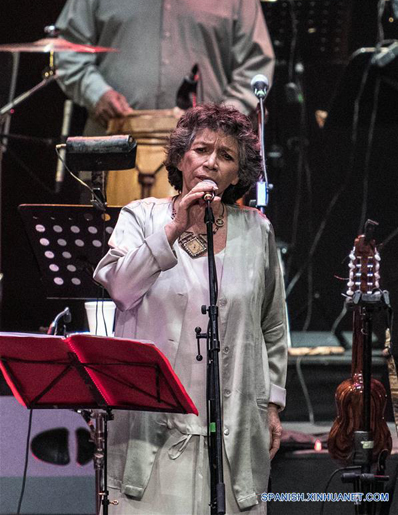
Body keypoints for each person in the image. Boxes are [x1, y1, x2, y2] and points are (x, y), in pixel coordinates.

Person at [94, 103, 287, 514]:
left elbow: (273, 325)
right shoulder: (141, 217)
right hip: (153, 434)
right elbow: (120, 288)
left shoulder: (257, 230)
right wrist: (174, 227)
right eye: (201, 150)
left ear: (239, 174)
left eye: (227, 155)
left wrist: (271, 403)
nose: (211, 162)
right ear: (181, 158)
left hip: (231, 432)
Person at [54, 0, 275, 202]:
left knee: (204, 246)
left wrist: (218, 124)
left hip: (205, 161)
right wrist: (96, 93)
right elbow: (66, 51)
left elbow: (255, 69)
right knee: (108, 244)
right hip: (113, 149)